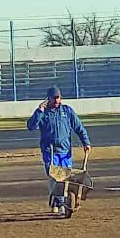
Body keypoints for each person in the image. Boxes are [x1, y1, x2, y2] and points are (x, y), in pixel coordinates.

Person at [27, 86, 91, 215]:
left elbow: (79, 127)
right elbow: (31, 126)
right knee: (55, 178)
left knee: (66, 178)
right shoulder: (43, 112)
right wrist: (39, 112)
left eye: (58, 97)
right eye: (54, 98)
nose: (57, 100)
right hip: (49, 151)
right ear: (48, 99)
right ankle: (59, 202)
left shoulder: (67, 111)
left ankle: (60, 202)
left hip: (65, 151)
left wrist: (86, 142)